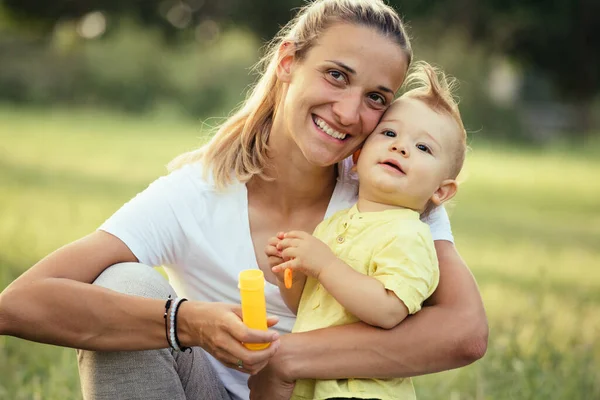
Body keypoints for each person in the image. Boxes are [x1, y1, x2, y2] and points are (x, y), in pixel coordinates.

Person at [0, 1, 488, 400]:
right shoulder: (195, 193)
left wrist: (290, 357)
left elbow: (465, 332)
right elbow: (18, 303)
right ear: (287, 62)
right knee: (125, 283)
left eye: (376, 98)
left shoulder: (389, 190)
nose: (348, 112)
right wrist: (184, 321)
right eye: (337, 75)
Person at [269, 62, 467, 400]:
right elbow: (307, 303)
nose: (400, 147)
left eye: (423, 148)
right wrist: (293, 272)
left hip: (362, 390)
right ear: (356, 159)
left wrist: (324, 264)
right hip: (316, 386)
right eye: (389, 134)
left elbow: (389, 310)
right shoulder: (335, 223)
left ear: (441, 192)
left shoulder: (411, 236)